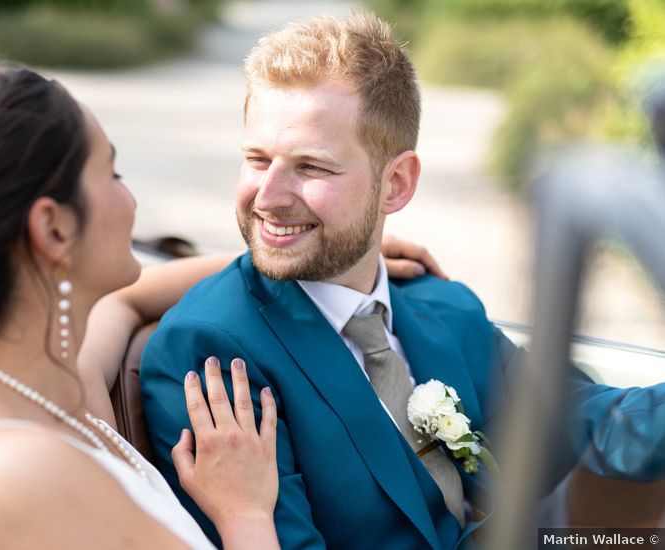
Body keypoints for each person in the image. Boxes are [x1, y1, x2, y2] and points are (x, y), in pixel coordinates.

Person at [0, 64, 441, 550]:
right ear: (53, 229)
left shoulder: (53, 378)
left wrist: (337, 249)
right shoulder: (18, 471)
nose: (130, 201)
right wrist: (243, 515)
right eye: (113, 171)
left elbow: (131, 298)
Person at [139, 12, 665, 550]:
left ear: (396, 184)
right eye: (257, 159)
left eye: (311, 167)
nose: (268, 197)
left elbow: (579, 421)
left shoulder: (444, 306)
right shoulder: (211, 352)